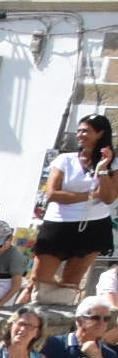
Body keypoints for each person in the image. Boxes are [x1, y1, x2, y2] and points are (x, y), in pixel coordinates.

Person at [30, 113, 118, 296]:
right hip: (58, 223)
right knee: (40, 279)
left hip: (93, 225)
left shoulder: (113, 163)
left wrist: (102, 169)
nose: (79, 135)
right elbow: (52, 194)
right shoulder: (65, 160)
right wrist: (89, 195)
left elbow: (108, 197)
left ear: (100, 133)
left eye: (85, 131)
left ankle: (59, 320)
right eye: (79, 131)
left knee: (71, 283)